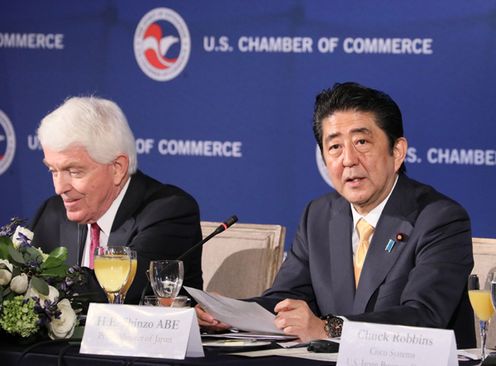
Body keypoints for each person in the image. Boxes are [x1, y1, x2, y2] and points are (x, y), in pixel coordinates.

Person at [196, 82, 476, 348]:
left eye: (362, 142)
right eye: (335, 147)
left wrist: (328, 329)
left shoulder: (440, 219)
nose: (349, 159)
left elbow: (423, 317)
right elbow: (287, 300)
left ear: (397, 151)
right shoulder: (318, 215)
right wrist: (232, 312)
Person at [30, 96, 203, 305]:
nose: (59, 188)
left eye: (74, 171)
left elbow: (118, 292)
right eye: (53, 171)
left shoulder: (169, 212)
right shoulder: (53, 212)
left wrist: (26, 284)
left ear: (117, 168)